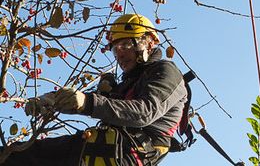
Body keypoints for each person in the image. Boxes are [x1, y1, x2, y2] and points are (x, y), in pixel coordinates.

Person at [0, 14, 188, 166]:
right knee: (15, 154)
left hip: (127, 154)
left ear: (149, 43)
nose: (120, 54)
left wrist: (88, 102)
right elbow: (94, 102)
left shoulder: (166, 71)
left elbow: (144, 112)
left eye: (126, 45)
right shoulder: (127, 83)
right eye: (115, 49)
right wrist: (51, 101)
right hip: (100, 148)